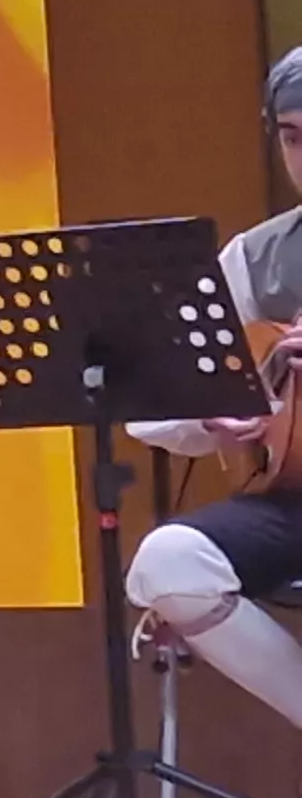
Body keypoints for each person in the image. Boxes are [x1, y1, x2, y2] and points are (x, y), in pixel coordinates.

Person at [125, 48, 302, 760]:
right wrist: (221, 406)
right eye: (293, 137)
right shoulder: (260, 259)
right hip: (293, 497)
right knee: (168, 560)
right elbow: (152, 403)